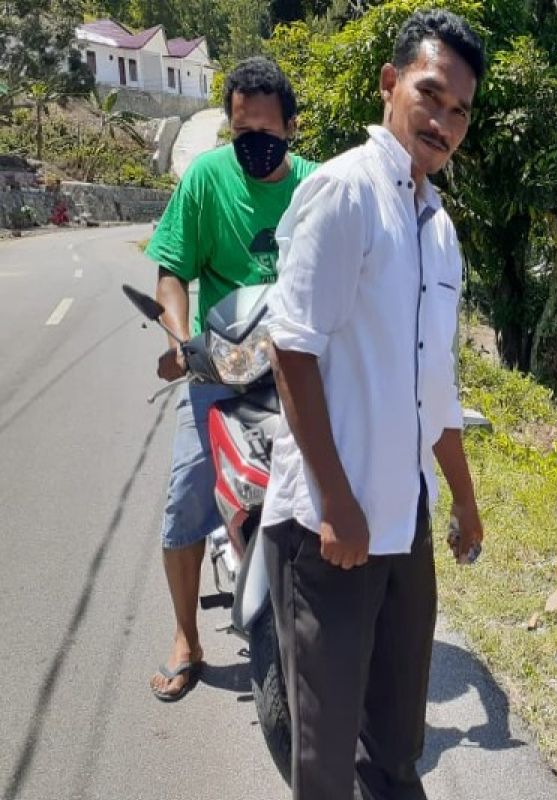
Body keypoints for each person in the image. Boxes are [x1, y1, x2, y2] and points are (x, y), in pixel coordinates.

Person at [260, 10, 486, 799]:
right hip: (332, 529)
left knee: (395, 738)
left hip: (404, 522)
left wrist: (462, 496)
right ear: (391, 86)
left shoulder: (439, 228)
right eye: (431, 95)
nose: (444, 121)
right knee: (324, 760)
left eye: (460, 111)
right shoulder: (345, 191)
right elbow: (291, 350)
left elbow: (436, 387)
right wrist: (338, 504)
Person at [144, 56, 318, 702]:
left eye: (267, 133)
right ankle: (187, 635)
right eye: (242, 133)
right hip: (221, 365)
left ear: (293, 127)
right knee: (186, 495)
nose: (254, 145)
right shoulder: (206, 180)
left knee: (341, 482)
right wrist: (179, 341)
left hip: (299, 366)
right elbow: (170, 271)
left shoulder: (317, 186)